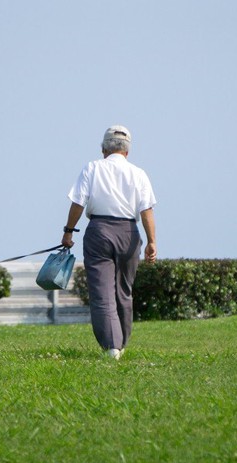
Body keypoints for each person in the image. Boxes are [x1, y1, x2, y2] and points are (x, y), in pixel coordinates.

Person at [61, 125, 157, 360]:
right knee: (124, 291)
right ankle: (121, 344)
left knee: (102, 292)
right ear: (127, 151)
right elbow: (146, 211)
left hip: (99, 231)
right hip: (129, 233)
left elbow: (78, 203)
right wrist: (152, 242)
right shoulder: (139, 173)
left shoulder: (92, 168)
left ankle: (112, 346)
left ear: (104, 148)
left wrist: (68, 232)